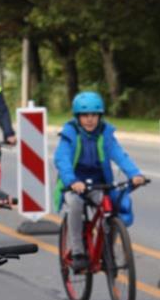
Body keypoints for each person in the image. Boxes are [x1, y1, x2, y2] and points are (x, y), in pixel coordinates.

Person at [54, 91, 146, 271]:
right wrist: (72, 181)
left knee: (111, 208)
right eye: (85, 115)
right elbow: (61, 159)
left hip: (98, 183)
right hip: (74, 183)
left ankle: (107, 250)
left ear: (100, 116)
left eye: (94, 115)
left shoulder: (105, 134)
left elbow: (120, 154)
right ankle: (78, 252)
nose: (90, 119)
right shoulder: (70, 133)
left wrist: (135, 174)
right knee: (75, 205)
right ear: (77, 117)